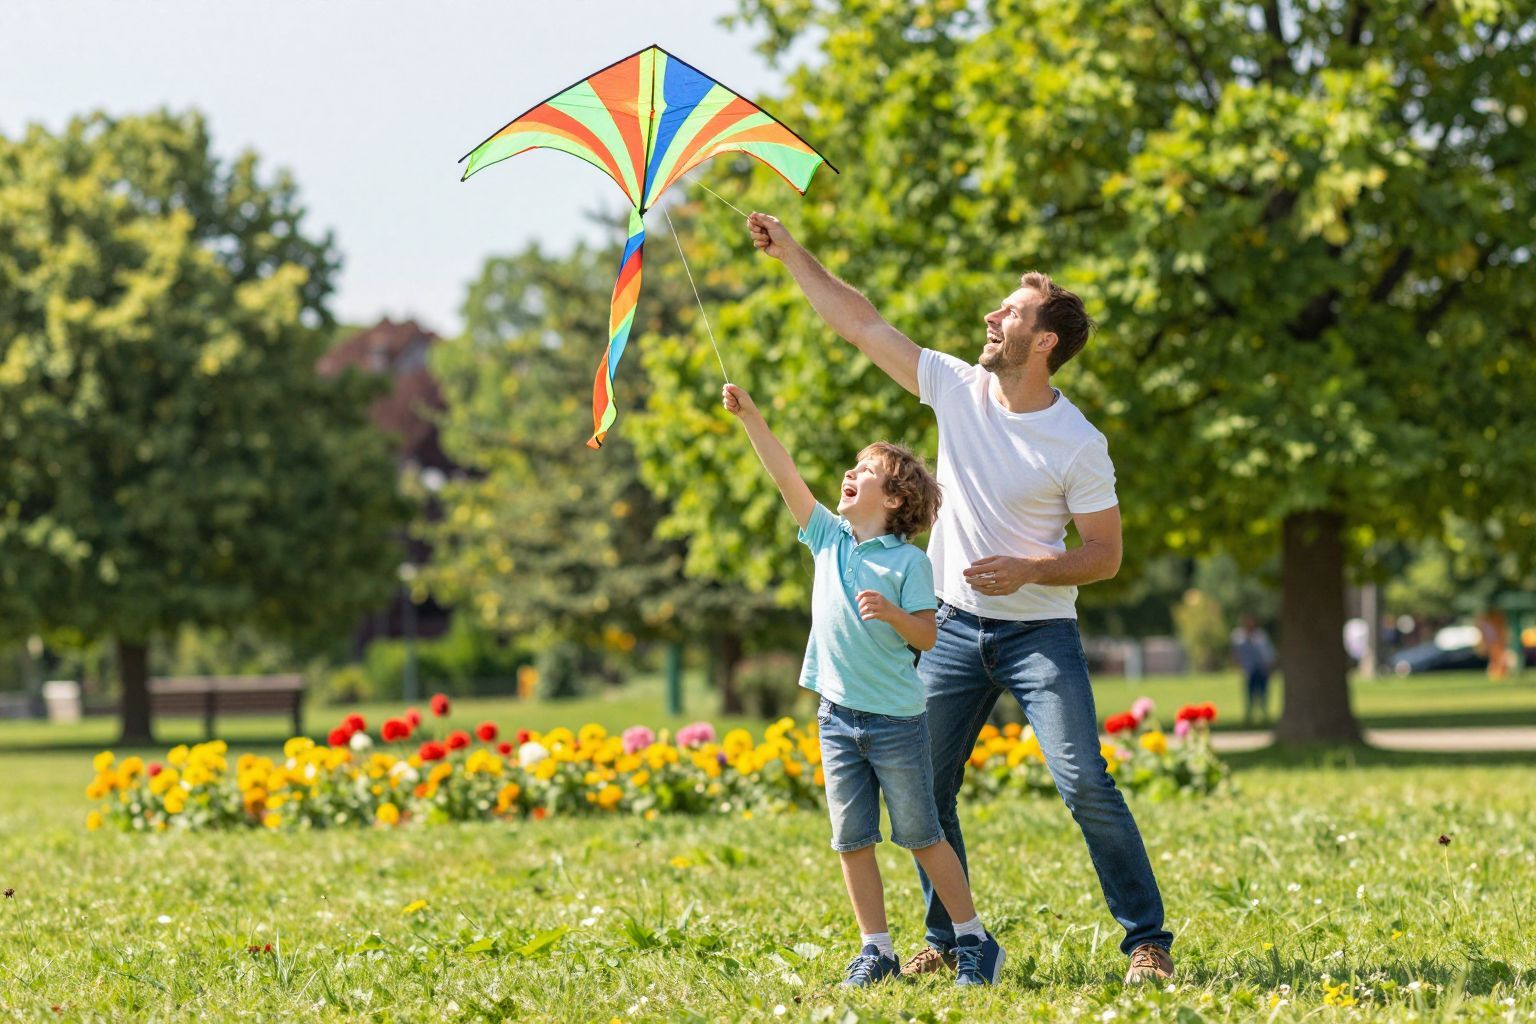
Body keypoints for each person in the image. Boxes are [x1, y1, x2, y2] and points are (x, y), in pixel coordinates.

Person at [746, 211, 1175, 984]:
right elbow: (863, 324)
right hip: (945, 629)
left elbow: (1106, 556)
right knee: (924, 792)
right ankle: (949, 941)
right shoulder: (958, 387)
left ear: (1044, 341)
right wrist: (792, 254)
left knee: (1082, 780)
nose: (992, 315)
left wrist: (1029, 569)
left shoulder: (1077, 442)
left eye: (1010, 311)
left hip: (1037, 635)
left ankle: (1147, 938)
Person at [721, 381, 1006, 988]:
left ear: (896, 498)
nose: (849, 474)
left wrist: (893, 615)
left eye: (864, 470)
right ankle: (876, 949)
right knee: (852, 841)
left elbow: (927, 637)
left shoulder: (907, 562)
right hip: (836, 718)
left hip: (897, 723)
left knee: (923, 837)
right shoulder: (828, 537)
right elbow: (785, 474)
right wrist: (753, 419)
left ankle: (975, 940)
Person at [1231, 614, 1276, 725]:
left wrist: (1269, 667)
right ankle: (1249, 715)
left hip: (1261, 669)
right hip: (1248, 670)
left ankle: (1264, 714)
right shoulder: (1238, 637)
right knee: (1249, 693)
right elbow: (1235, 654)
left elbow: (1268, 653)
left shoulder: (1261, 636)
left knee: (1263, 693)